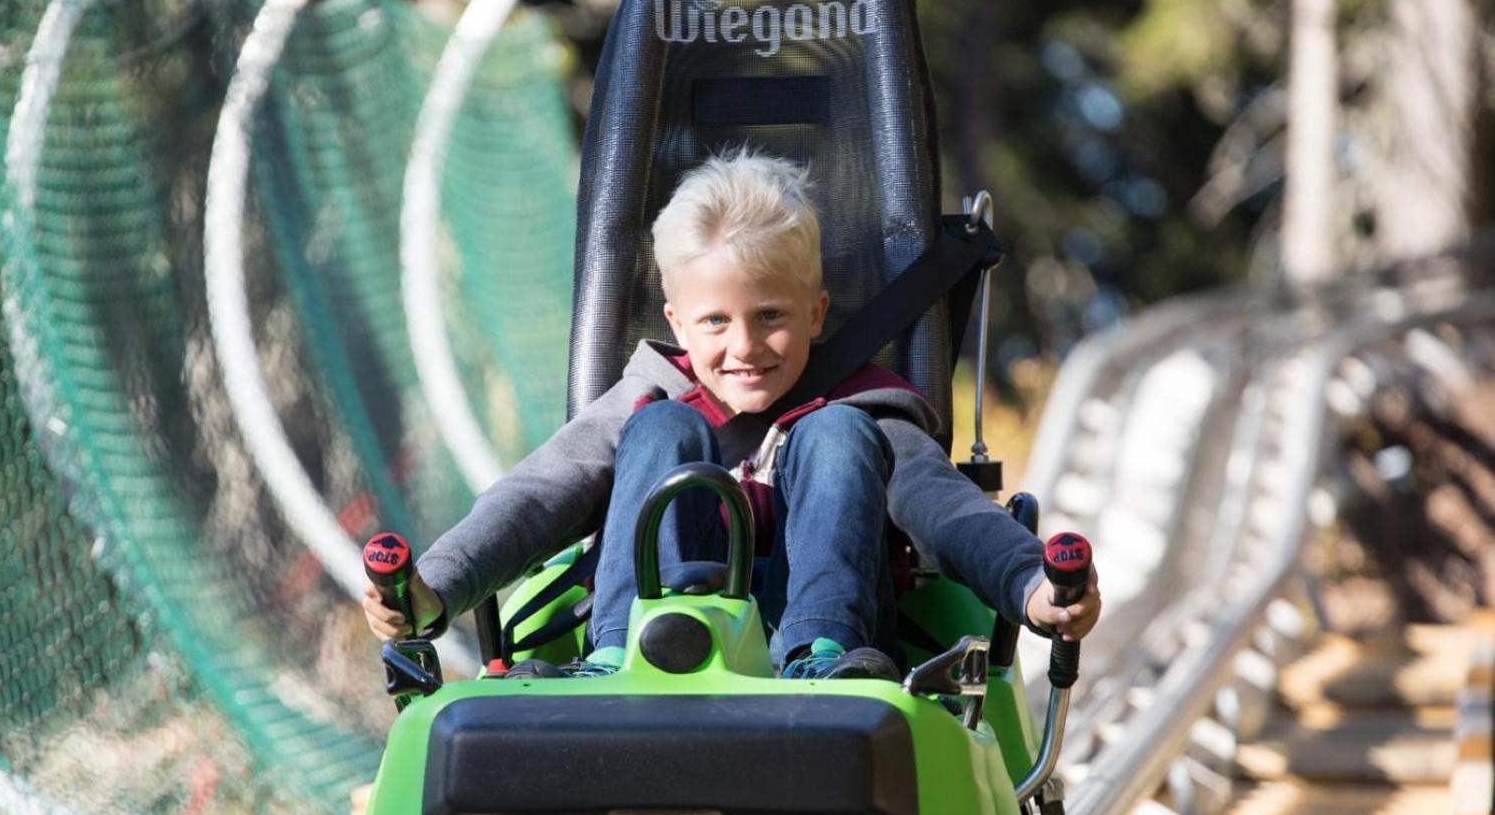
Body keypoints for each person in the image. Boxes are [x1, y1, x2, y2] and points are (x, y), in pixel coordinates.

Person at [364, 148, 1100, 677]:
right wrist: (435, 587)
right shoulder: (648, 397)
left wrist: (1031, 585)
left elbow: (948, 512)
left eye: (770, 316)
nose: (744, 347)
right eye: (715, 322)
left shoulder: (868, 408)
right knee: (658, 431)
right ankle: (620, 653)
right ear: (676, 323)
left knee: (834, 434)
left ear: (817, 314)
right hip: (656, 647)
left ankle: (820, 657)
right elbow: (534, 496)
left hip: (827, 652)